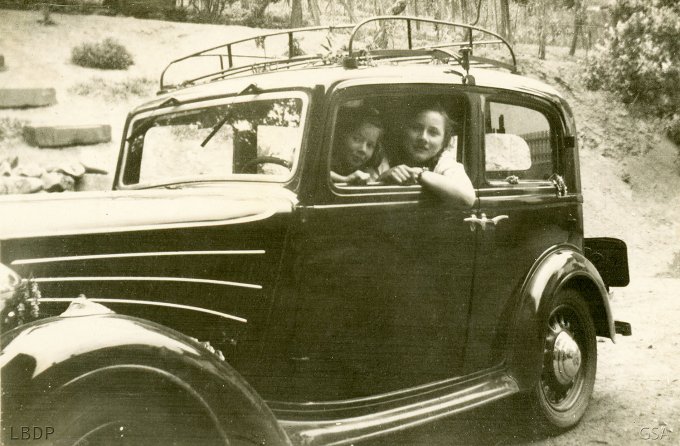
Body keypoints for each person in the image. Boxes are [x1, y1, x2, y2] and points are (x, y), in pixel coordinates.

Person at [378, 103, 475, 207]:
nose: (423, 138)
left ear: (443, 142)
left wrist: (421, 174)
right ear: (404, 131)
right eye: (416, 128)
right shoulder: (386, 156)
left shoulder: (443, 162)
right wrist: (383, 177)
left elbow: (468, 198)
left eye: (433, 132)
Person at [331, 110, 388, 184]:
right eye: (357, 139)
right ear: (342, 137)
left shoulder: (370, 170)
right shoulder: (327, 160)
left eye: (370, 145)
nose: (363, 150)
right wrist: (345, 179)